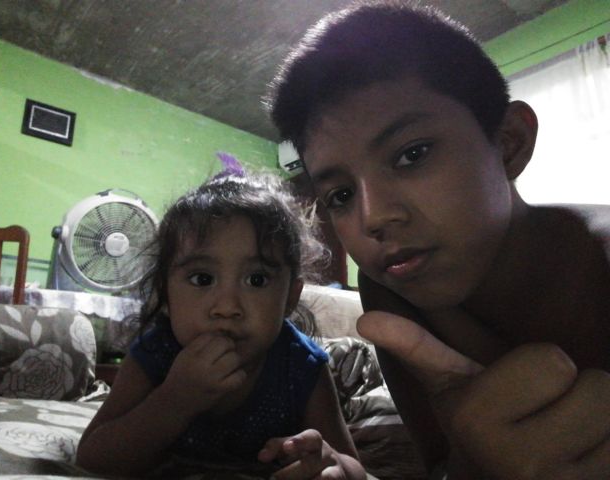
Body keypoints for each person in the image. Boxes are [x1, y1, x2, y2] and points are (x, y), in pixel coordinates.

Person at [268, 1, 610, 478]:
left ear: (509, 142)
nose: (373, 217)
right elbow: (440, 463)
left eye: (412, 154)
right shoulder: (391, 290)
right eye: (341, 195)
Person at [76, 166, 367, 480]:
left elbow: (354, 468)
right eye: (202, 279)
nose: (227, 307)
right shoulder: (156, 353)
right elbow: (92, 459)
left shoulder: (301, 365)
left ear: (290, 298)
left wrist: (331, 464)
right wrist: (175, 400)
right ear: (165, 292)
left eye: (257, 280)